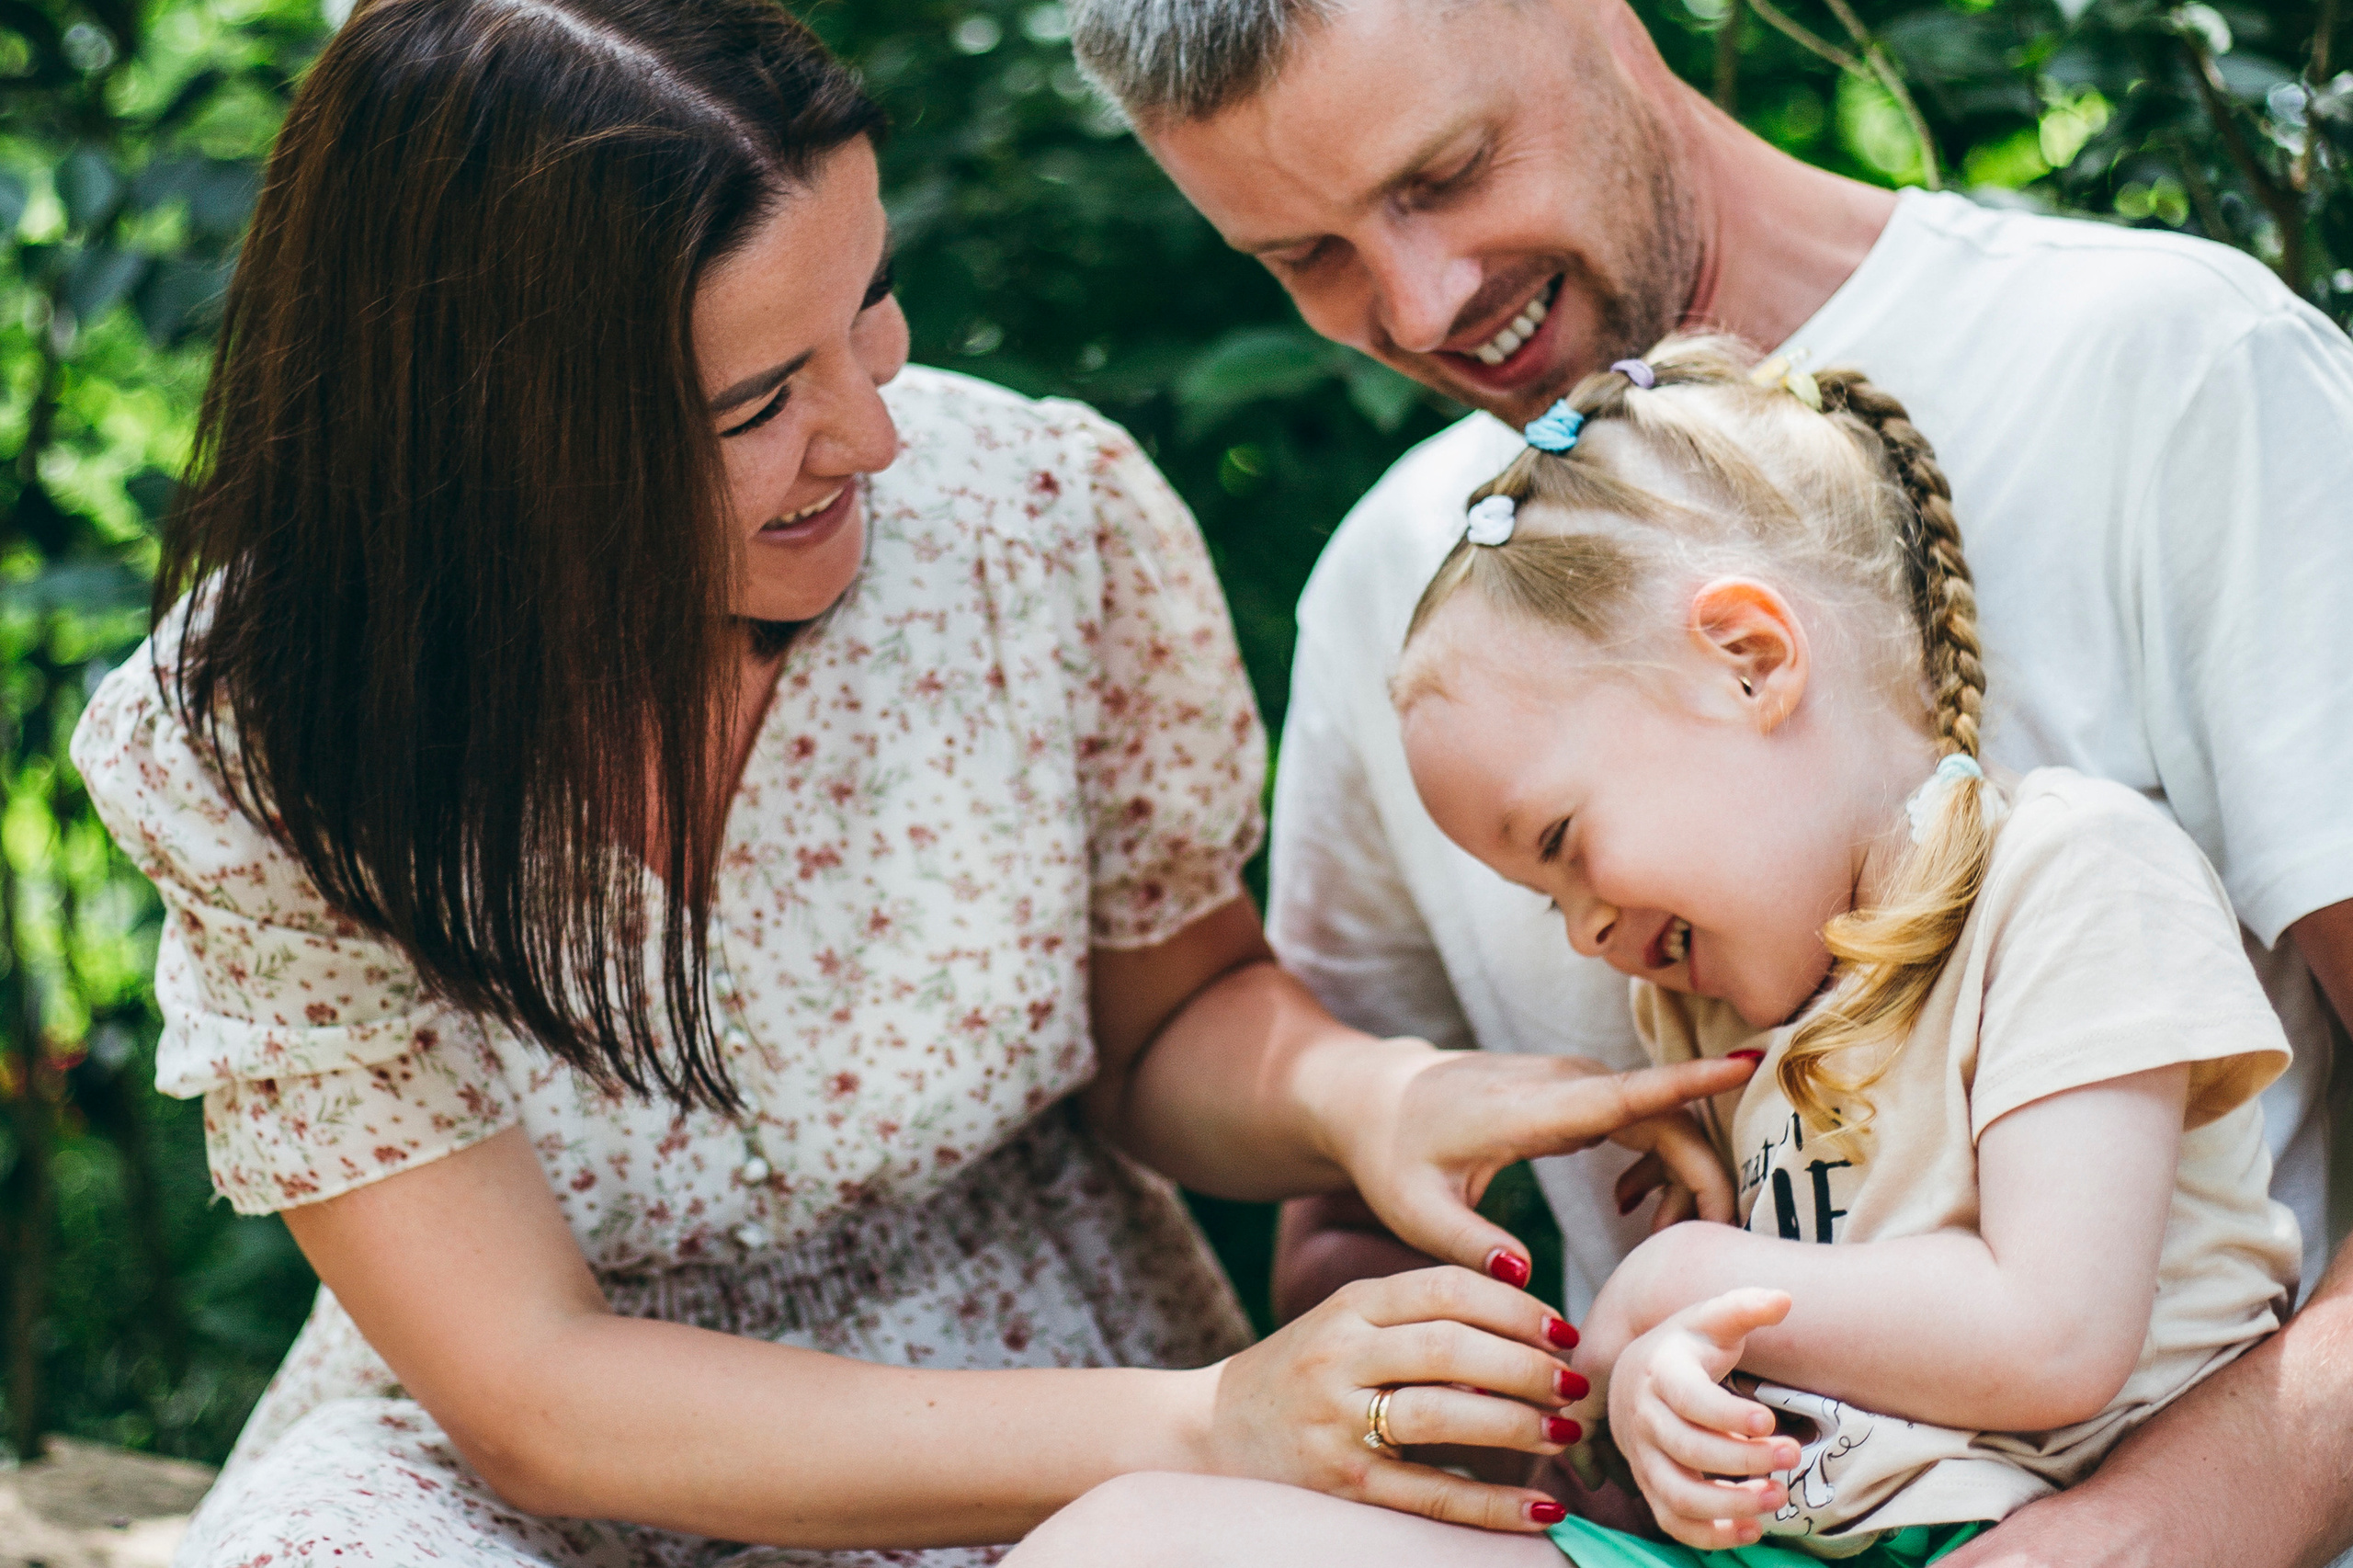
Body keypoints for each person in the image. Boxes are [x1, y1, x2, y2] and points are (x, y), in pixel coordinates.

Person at [71, 1, 1760, 1562]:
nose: (875, 436)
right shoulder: (261, 740)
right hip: (555, 1471)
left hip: (1038, 1392)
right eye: (755, 402)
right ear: (491, 439)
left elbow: (1165, 1026)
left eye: (866, 305)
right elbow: (531, 1389)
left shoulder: (1037, 517)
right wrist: (1207, 1416)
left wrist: (1367, 1097)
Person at [1067, 1, 2353, 1562]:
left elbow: (2062, 1330)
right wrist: (1600, 1392)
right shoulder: (1406, 602)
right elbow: (1352, 1235)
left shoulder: (2169, 377)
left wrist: (2193, 1512)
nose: (1416, 305)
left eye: (1448, 171)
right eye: (1304, 260)